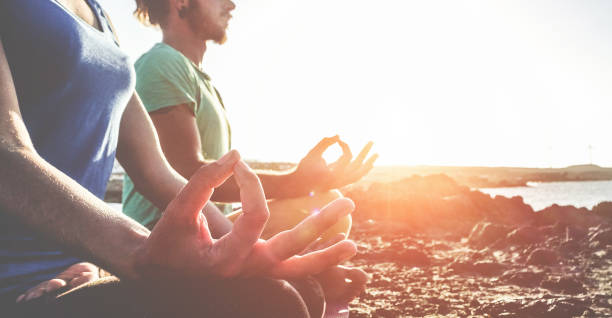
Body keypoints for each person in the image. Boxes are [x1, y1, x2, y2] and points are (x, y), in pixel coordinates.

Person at [0, 0, 360, 317]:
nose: (233, 3)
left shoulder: (101, 18)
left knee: (298, 291)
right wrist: (130, 251)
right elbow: (6, 152)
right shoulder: (160, 63)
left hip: (82, 265)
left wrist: (244, 250)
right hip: (17, 281)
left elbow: (158, 173)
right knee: (271, 303)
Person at [124, 0, 377, 307]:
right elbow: (189, 175)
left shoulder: (198, 78)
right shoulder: (161, 64)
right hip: (164, 236)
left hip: (207, 225)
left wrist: (310, 181)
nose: (231, 4)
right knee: (322, 205)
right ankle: (300, 277)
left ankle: (304, 274)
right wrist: (294, 181)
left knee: (327, 201)